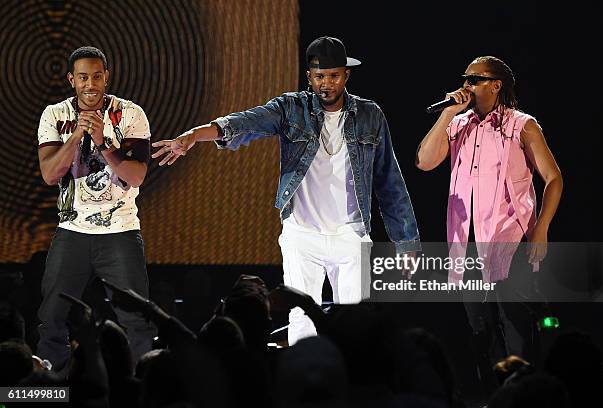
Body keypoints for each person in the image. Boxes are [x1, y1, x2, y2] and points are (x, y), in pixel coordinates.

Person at [152, 36, 420, 345]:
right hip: (302, 235)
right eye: (319, 76)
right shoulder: (291, 109)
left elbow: (389, 181)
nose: (326, 84)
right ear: (309, 77)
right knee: (302, 315)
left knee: (356, 319)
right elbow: (246, 122)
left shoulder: (370, 115)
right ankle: (303, 382)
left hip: (351, 234)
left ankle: (350, 384)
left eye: (333, 75)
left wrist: (406, 241)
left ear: (346, 75)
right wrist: (194, 135)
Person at [416, 56, 562, 384]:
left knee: (514, 322)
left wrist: (542, 229)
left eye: (474, 79)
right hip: (467, 241)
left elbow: (554, 179)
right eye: (465, 79)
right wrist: (448, 114)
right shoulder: (458, 124)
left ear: (496, 85)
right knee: (479, 327)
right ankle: (495, 394)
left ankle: (525, 394)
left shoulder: (521, 125)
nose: (466, 85)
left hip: (509, 238)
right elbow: (424, 162)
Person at [36, 46, 155, 371]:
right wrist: (77, 134)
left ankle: (136, 390)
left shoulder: (130, 114)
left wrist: (103, 141)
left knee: (137, 320)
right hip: (71, 232)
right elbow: (50, 174)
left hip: (120, 232)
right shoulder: (55, 115)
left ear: (107, 76)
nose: (91, 84)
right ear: (72, 79)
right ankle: (51, 391)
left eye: (97, 76)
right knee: (52, 317)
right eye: (84, 77)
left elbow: (136, 176)